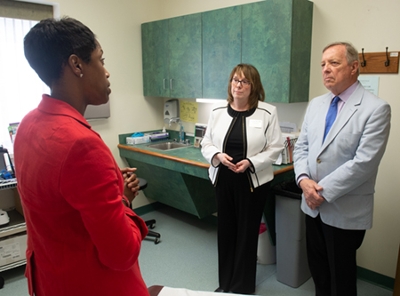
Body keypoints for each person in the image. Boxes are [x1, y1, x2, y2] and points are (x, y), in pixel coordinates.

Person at [14, 17, 150, 296]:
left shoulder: (27, 125)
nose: (107, 72)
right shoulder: (82, 145)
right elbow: (121, 254)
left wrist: (107, 189)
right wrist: (122, 198)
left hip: (50, 280)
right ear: (77, 65)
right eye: (101, 60)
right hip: (93, 284)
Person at [293, 42, 391, 296]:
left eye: (334, 63)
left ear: (354, 67)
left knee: (341, 279)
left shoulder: (375, 109)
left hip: (344, 209)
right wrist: (304, 180)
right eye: (323, 64)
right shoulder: (316, 104)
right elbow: (301, 147)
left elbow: (364, 163)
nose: (326, 69)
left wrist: (320, 193)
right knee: (319, 273)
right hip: (311, 206)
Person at [201, 64, 284, 294]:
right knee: (226, 232)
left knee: (247, 234)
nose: (238, 85)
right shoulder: (217, 111)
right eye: (235, 80)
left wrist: (251, 162)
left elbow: (275, 147)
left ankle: (243, 287)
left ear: (253, 86)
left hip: (252, 183)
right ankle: (226, 283)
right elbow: (205, 142)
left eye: (244, 81)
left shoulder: (268, 112)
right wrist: (217, 155)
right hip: (224, 180)